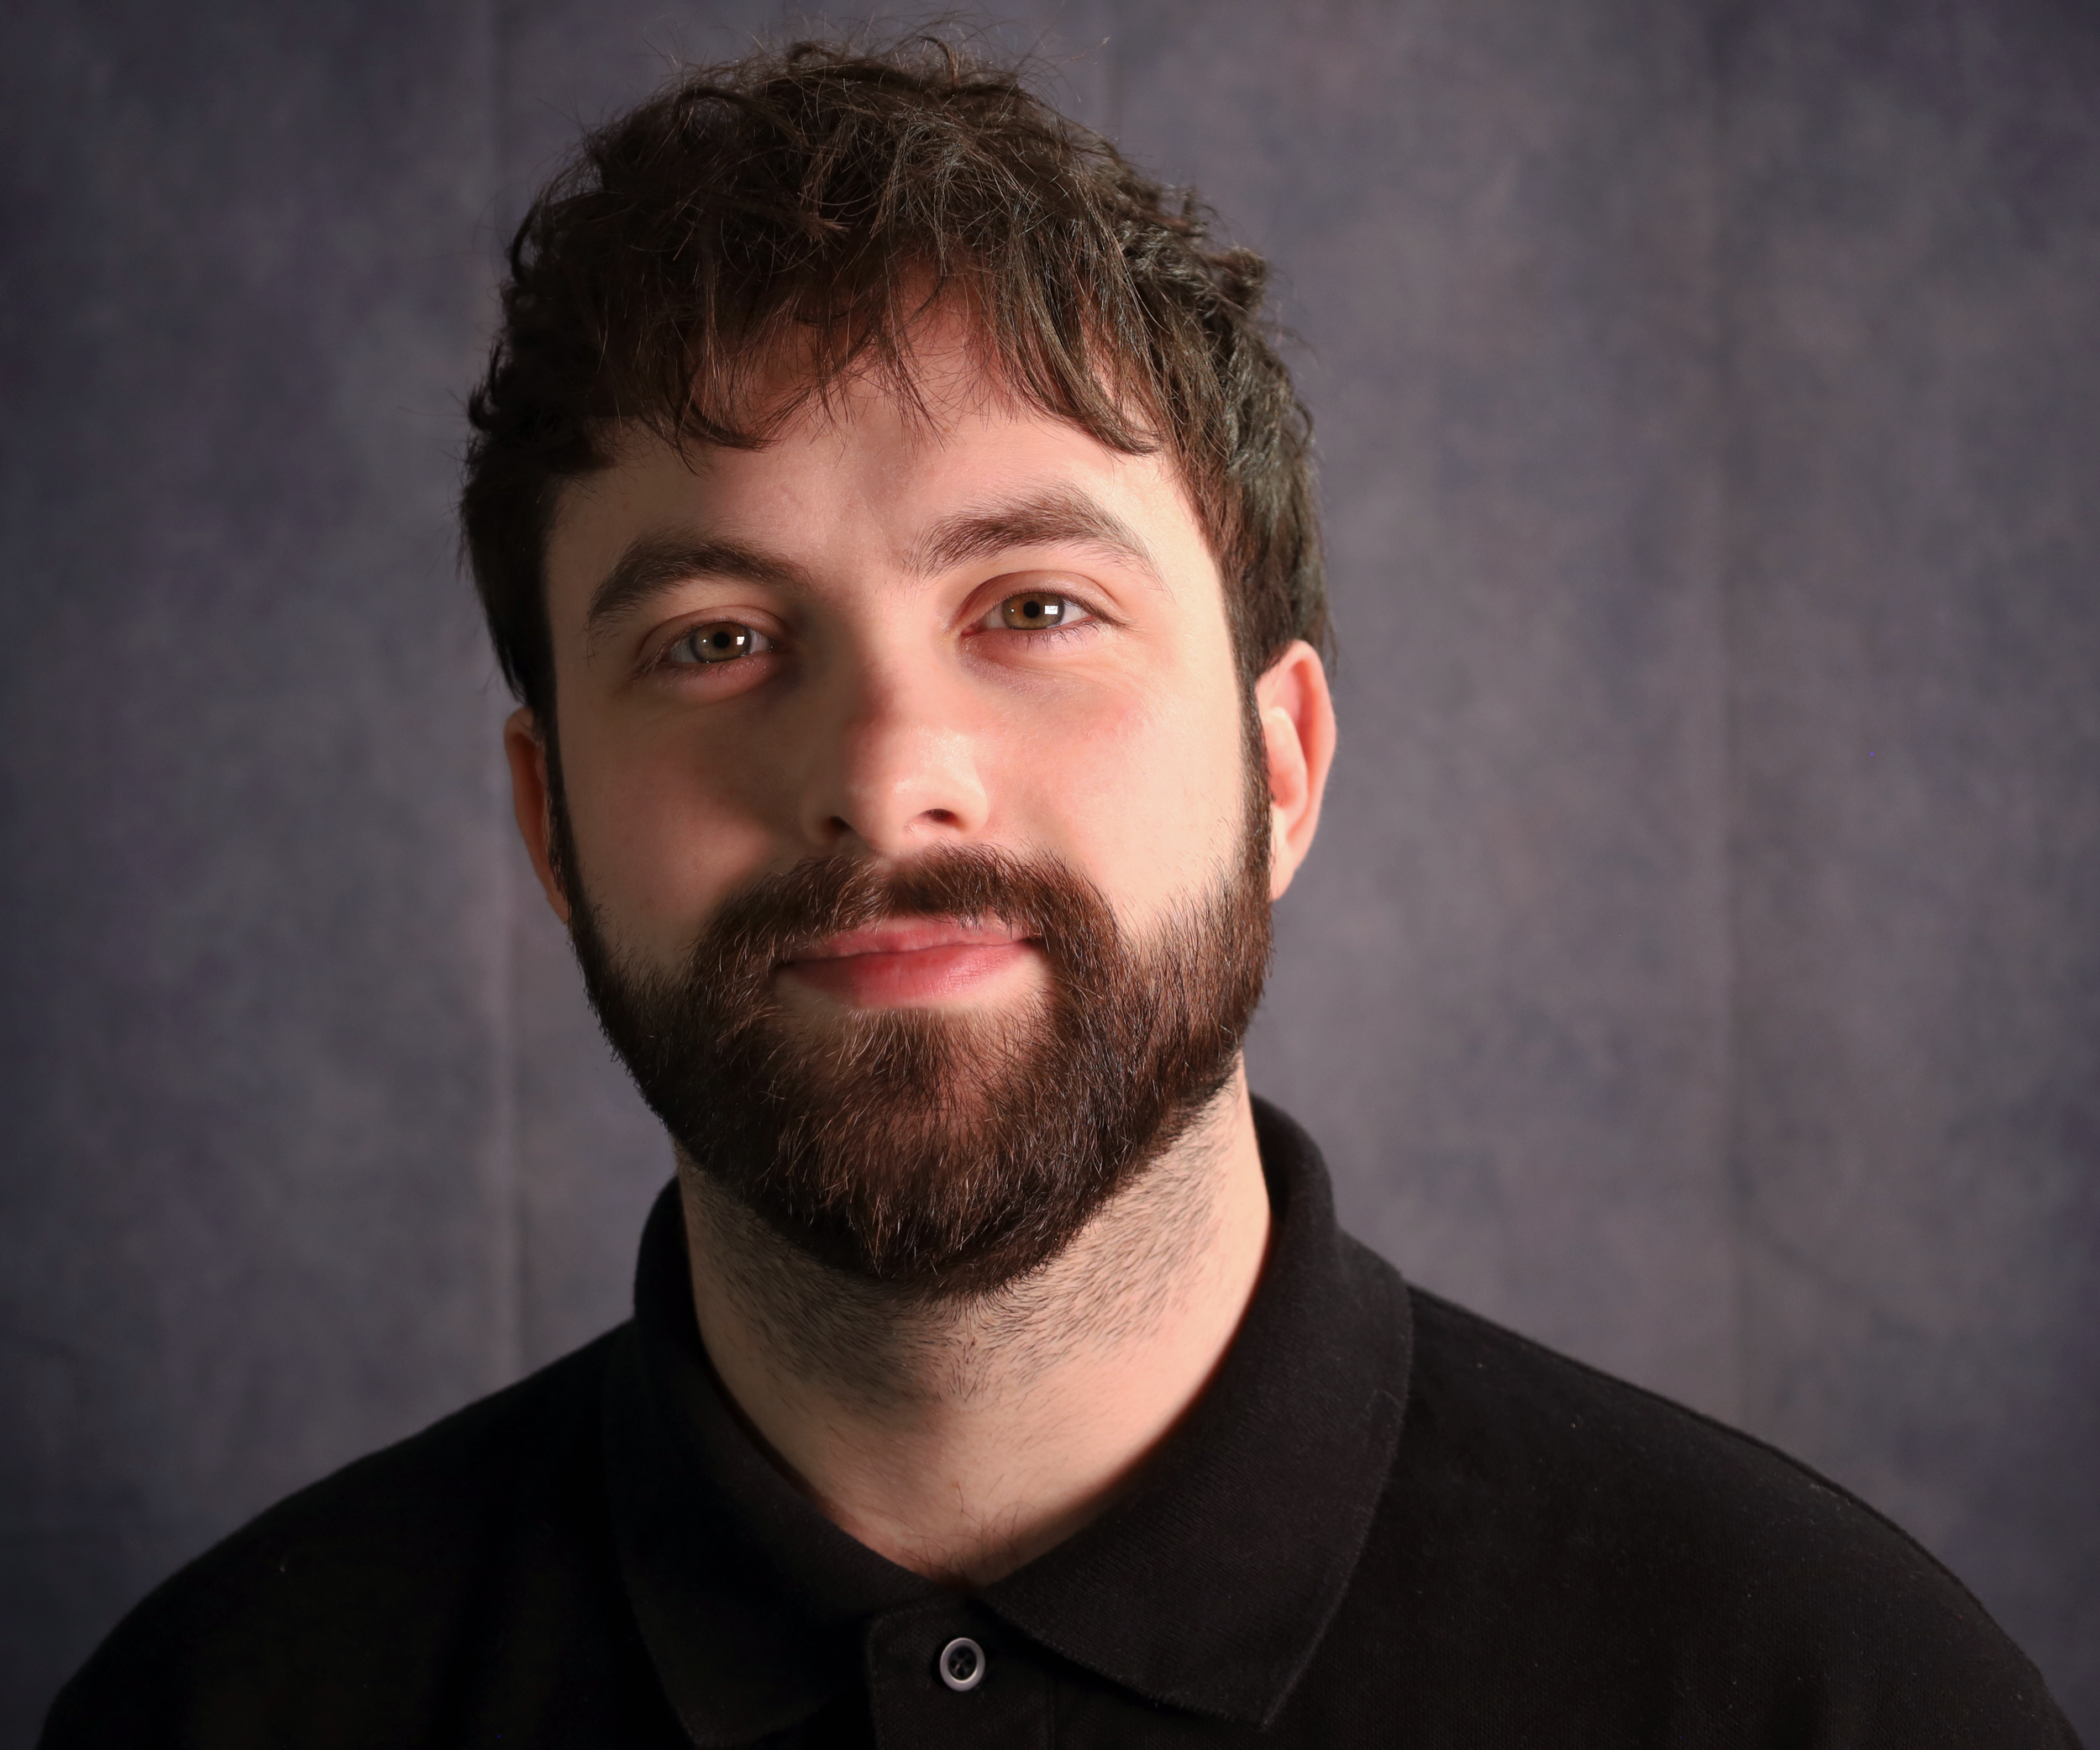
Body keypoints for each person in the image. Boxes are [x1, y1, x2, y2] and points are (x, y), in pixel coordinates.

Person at [42, 36, 2080, 1750]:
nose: (883, 774)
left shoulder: (1833, 1699)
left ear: (1278, 767)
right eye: (718, 640)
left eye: (1032, 606)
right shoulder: (219, 1712)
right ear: (551, 817)